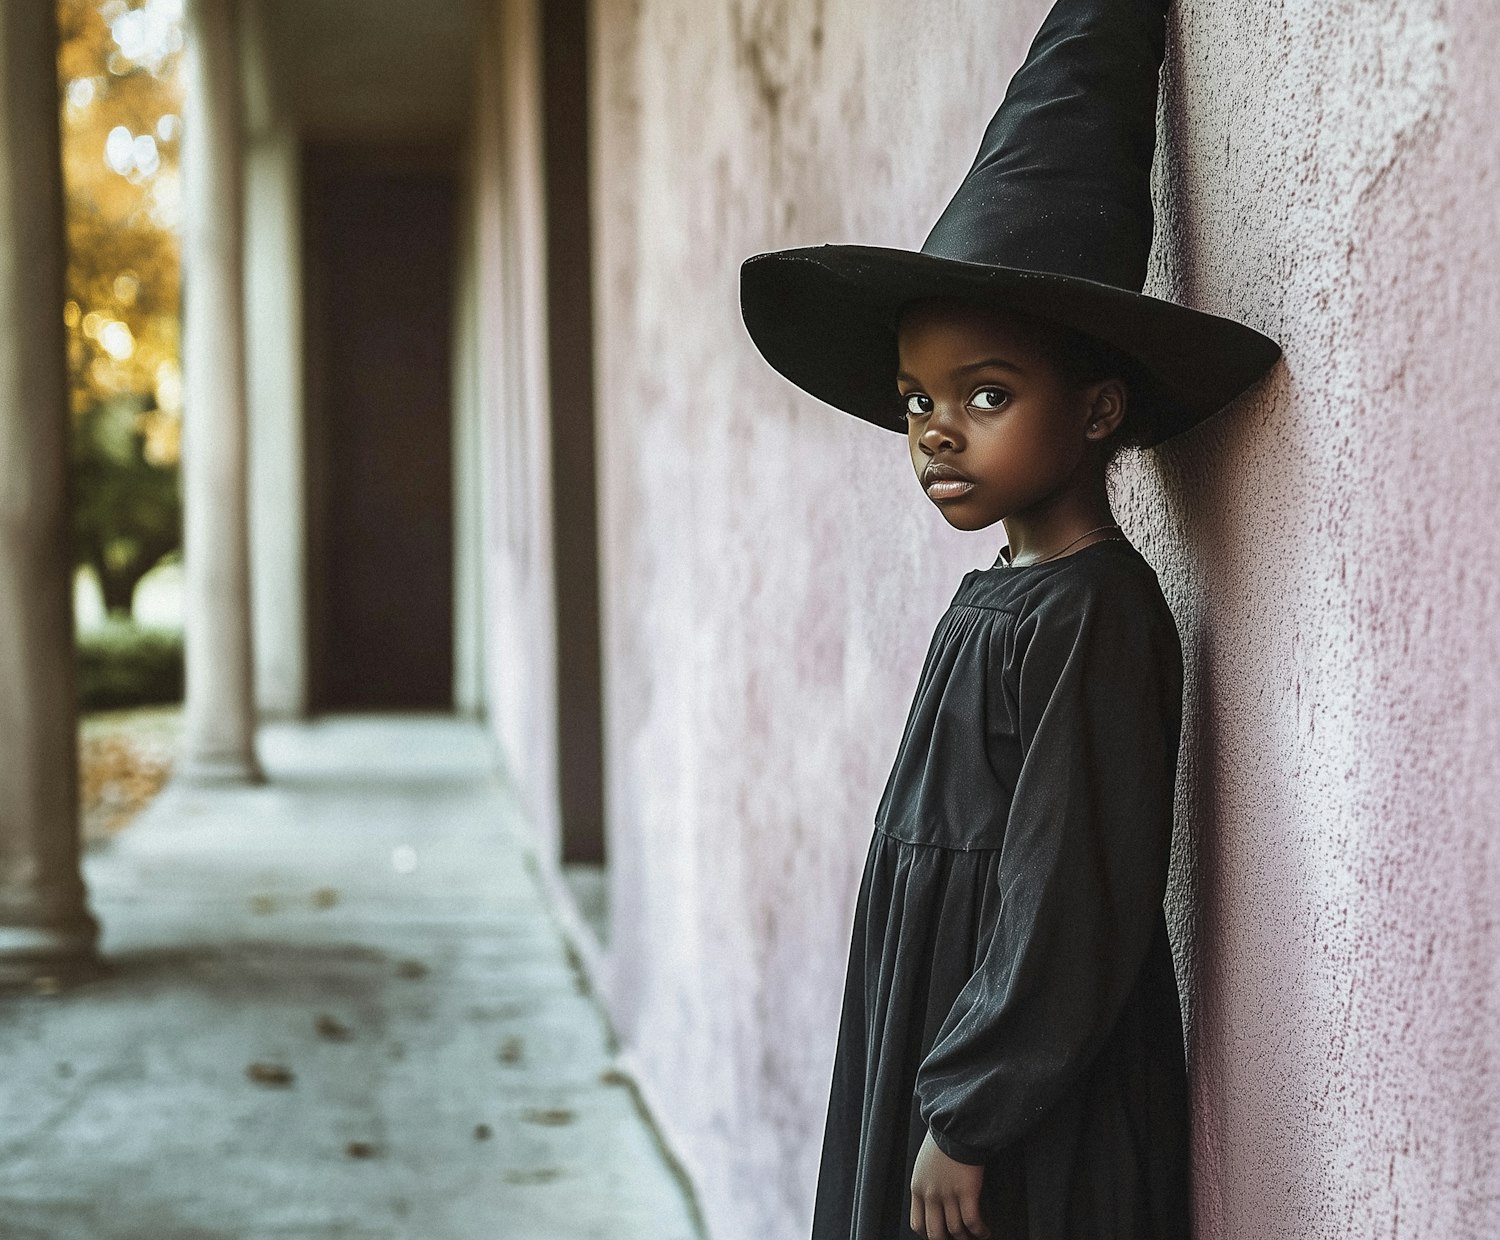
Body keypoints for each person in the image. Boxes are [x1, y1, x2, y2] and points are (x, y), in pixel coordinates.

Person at [737, 0, 1283, 1237]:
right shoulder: (1002, 594)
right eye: (917, 396)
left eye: (986, 392)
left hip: (1021, 1090)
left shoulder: (1098, 612)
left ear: (1097, 412)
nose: (935, 429)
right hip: (940, 1030)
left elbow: (1071, 893)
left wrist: (969, 1113)